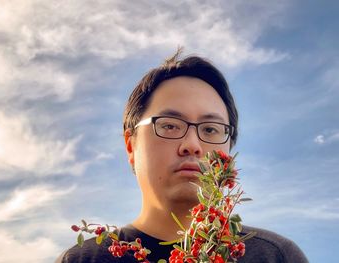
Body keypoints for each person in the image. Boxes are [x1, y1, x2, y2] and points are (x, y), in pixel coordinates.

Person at [56, 49, 308, 262]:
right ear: (131, 146)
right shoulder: (83, 259)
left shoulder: (275, 256)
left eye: (210, 129)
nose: (192, 145)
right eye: (169, 125)